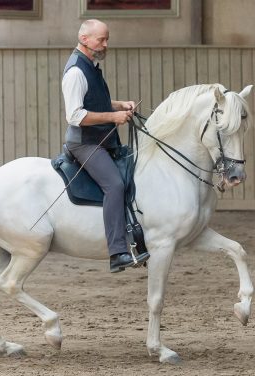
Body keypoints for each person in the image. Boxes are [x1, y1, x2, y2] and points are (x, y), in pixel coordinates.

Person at [61, 19, 149, 273]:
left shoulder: (91, 66)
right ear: (84, 38)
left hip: (101, 140)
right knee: (115, 184)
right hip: (85, 144)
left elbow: (95, 101)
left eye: (107, 38)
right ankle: (118, 251)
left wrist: (119, 105)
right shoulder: (76, 71)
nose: (106, 44)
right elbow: (75, 115)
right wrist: (113, 117)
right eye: (101, 39)